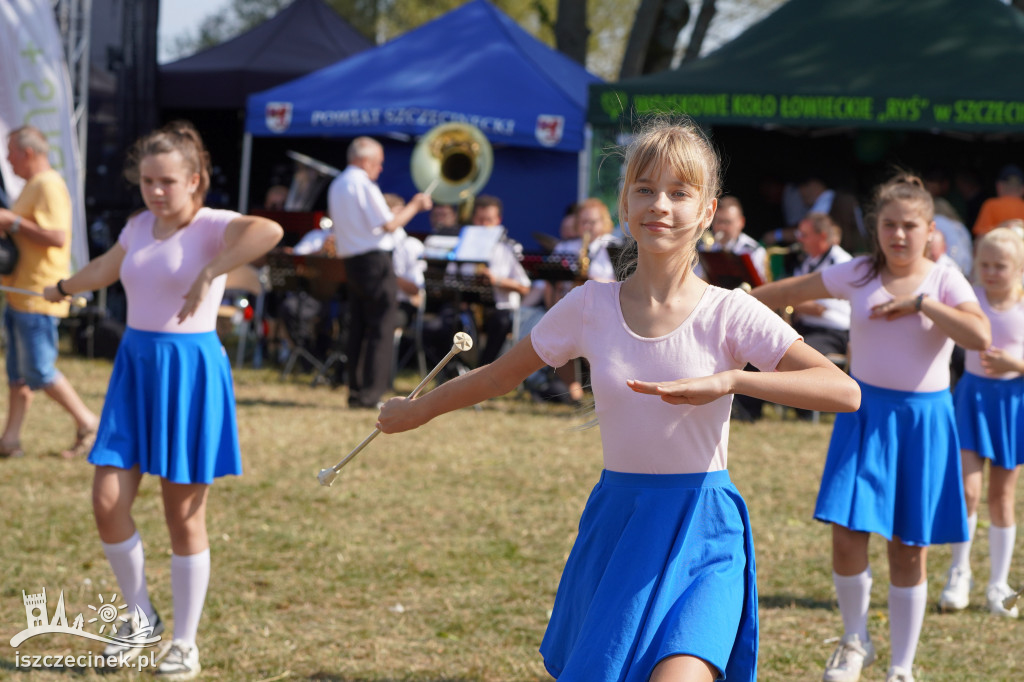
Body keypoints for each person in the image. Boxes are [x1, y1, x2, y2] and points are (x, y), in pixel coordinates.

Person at [377, 118, 861, 682]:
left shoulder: (731, 311)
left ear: (706, 212)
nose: (661, 205)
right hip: (619, 524)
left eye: (680, 193)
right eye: (645, 189)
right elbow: (495, 377)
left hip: (703, 531)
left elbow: (842, 391)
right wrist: (417, 410)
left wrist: (732, 381)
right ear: (625, 206)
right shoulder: (589, 306)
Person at [42, 121, 283, 680]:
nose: (155, 191)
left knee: (182, 516)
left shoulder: (213, 226)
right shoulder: (137, 225)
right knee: (107, 501)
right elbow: (109, 267)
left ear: (194, 179)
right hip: (135, 368)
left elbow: (267, 231)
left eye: (167, 181)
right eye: (147, 181)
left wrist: (211, 271)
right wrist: (64, 288)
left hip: (189, 372)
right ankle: (138, 615)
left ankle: (183, 640)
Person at [752, 173, 991, 682]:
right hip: (863, 416)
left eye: (910, 225)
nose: (899, 235)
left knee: (909, 549)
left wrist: (923, 304)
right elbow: (787, 290)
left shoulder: (945, 277)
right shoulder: (857, 273)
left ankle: (901, 667)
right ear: (873, 227)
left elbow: (979, 334)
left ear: (930, 229)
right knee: (846, 536)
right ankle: (854, 639)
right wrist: (733, 300)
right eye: (889, 225)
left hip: (923, 423)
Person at [939, 227, 1024, 619]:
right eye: (984, 264)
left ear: (1019, 267)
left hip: (1012, 406)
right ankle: (960, 573)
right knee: (968, 492)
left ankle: (998, 583)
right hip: (972, 398)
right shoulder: (970, 300)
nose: (990, 272)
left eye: (1000, 266)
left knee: (1002, 498)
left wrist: (1014, 364)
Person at [0, 125, 99, 460]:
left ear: (27, 153)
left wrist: (12, 222)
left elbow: (57, 236)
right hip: (20, 293)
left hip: (39, 295)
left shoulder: (48, 185)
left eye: (10, 152)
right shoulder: (33, 185)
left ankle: (88, 422)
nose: (7, 160)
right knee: (17, 376)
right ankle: (10, 440)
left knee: (39, 371)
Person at [328, 136, 431, 408]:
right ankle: (371, 393)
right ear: (365, 160)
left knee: (359, 326)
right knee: (381, 327)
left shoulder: (338, 184)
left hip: (353, 261)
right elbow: (389, 224)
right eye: (378, 163)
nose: (380, 169)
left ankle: (357, 390)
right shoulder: (361, 183)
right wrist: (415, 206)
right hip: (374, 260)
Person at [462, 194, 531, 367]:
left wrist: (497, 280)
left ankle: (483, 369)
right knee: (450, 318)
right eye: (480, 220)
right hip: (471, 308)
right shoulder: (464, 246)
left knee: (500, 322)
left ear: (498, 220)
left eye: (489, 220)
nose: (485, 225)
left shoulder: (508, 248)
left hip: (500, 309)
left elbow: (524, 287)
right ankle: (457, 368)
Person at [697, 195, 767, 282]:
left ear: (741, 222)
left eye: (727, 222)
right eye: (718, 221)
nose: (721, 227)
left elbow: (758, 286)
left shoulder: (754, 251)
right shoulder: (704, 247)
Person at [973, 164, 1024, 237]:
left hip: (997, 246)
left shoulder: (991, 205)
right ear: (1022, 189)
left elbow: (981, 236)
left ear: (998, 186)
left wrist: (1000, 229)